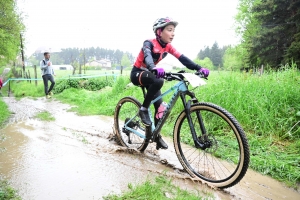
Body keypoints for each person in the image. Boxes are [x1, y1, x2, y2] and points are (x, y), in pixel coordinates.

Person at [130, 17, 210, 150]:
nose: (173, 33)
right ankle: (143, 109)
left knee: (160, 109)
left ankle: (156, 136)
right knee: (159, 80)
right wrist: (153, 68)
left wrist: (199, 68)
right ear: (159, 32)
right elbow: (148, 57)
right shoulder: (149, 43)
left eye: (174, 30)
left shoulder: (167, 47)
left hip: (151, 75)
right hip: (138, 73)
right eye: (169, 30)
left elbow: (182, 58)